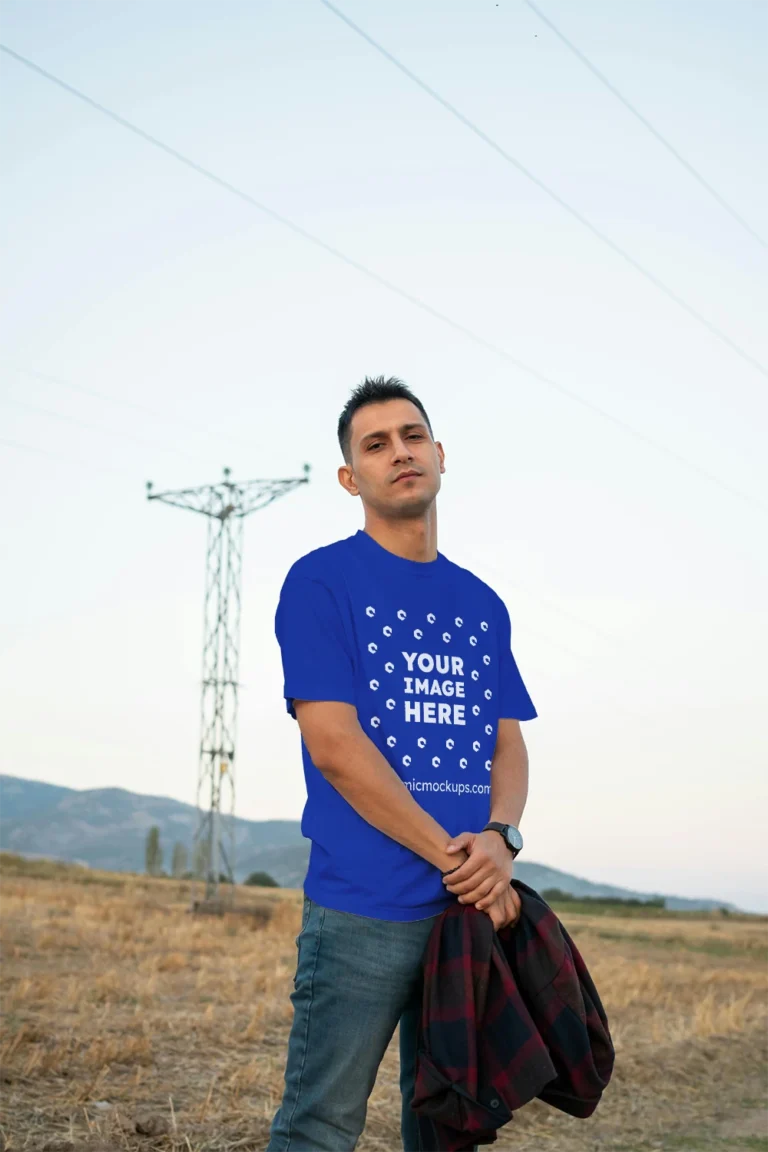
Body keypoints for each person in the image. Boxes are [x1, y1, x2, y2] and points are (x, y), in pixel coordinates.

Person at [267, 376, 537, 1152]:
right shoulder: (321, 581)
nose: (400, 453)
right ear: (352, 478)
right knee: (319, 1129)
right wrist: (461, 860)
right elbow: (336, 747)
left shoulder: (482, 604)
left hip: (463, 919)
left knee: (449, 1130)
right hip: (362, 913)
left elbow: (506, 742)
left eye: (412, 436)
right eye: (376, 444)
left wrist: (501, 839)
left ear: (441, 455)